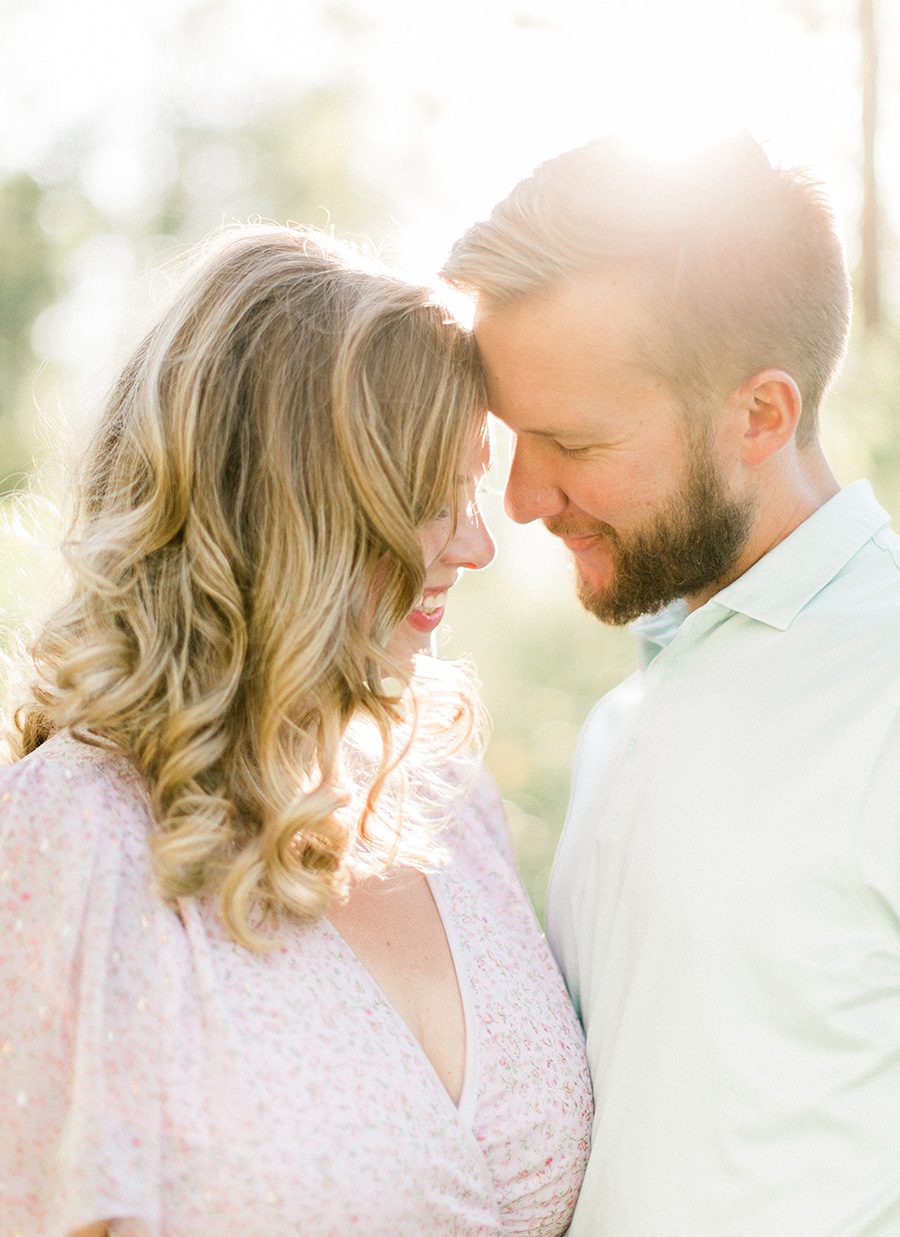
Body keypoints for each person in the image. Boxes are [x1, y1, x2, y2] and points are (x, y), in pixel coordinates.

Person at [0, 225, 592, 1236]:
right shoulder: (74, 830)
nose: (479, 541)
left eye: (470, 490)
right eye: (429, 497)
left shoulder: (454, 805)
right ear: (287, 504)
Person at [442, 131, 900, 1235]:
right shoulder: (631, 714)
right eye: (511, 438)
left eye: (574, 441)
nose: (521, 498)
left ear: (760, 417)